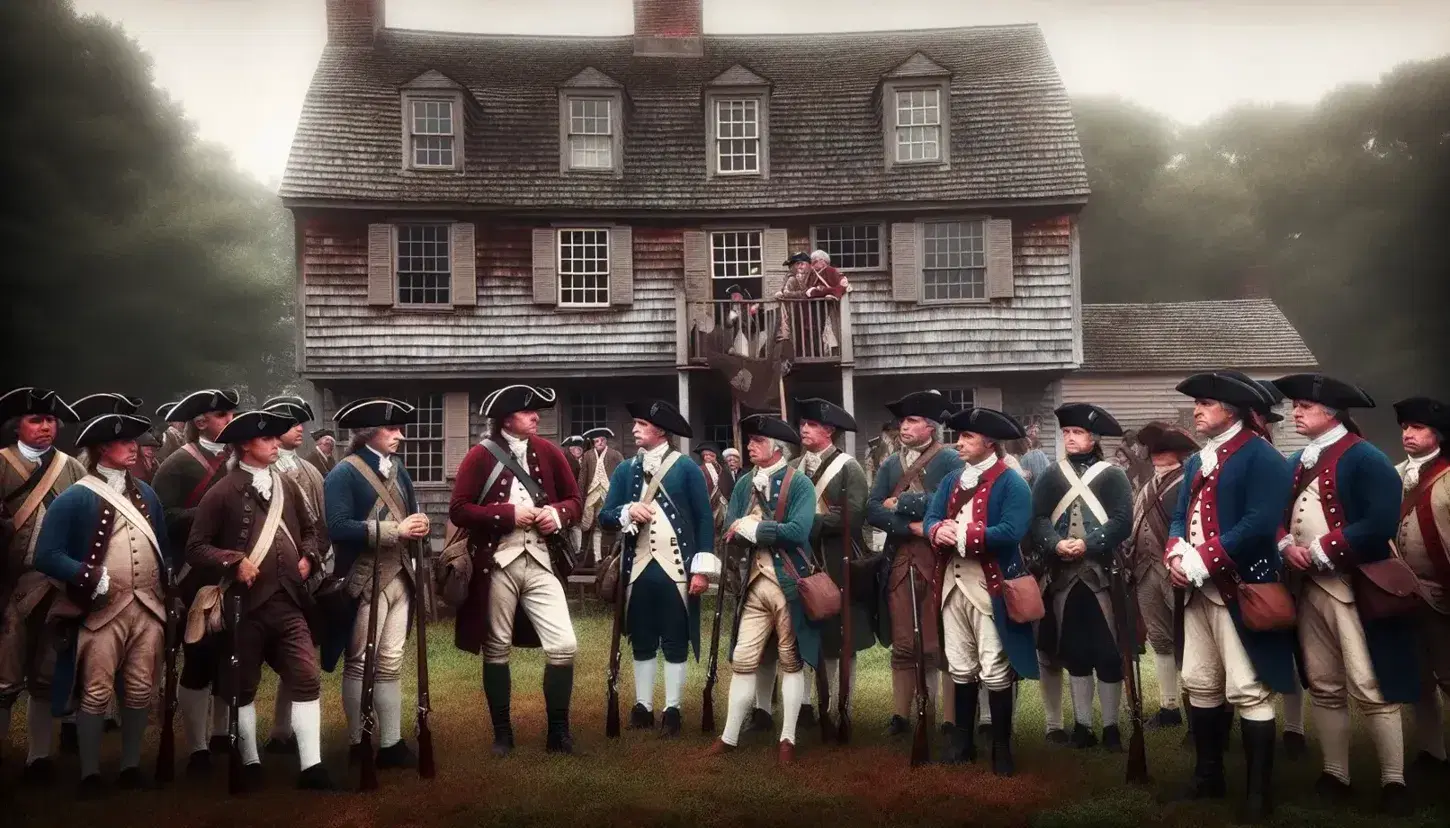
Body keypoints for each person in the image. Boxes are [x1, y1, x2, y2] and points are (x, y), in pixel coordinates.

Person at [1273, 373, 1417, 815]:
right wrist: (1283, 545)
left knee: (1371, 684)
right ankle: (1336, 773)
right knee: (1323, 683)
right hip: (1309, 588)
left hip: (1353, 585)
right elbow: (1278, 513)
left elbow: (1380, 522)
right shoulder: (1297, 460)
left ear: (1330, 412)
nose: (1295, 412)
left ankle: (1394, 781)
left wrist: (1320, 548)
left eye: (1304, 406)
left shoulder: (1366, 458)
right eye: (1295, 406)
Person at [1166, 371, 1297, 822]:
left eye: (1204, 403)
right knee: (1200, 681)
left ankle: (1259, 793)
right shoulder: (1196, 462)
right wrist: (1176, 553)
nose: (1197, 410)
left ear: (1231, 409)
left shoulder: (1261, 456)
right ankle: (1209, 778)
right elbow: (1179, 516)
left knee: (1248, 688)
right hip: (1199, 589)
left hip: (1243, 587)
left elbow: (1260, 524)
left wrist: (1205, 558)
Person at [185, 409, 331, 791]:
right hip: (243, 607)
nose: (274, 444)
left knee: (307, 677)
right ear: (245, 444)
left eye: (274, 438)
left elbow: (314, 530)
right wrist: (232, 561)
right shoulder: (222, 491)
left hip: (288, 602)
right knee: (243, 686)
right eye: (266, 439)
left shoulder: (287, 484)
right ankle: (249, 761)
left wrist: (308, 558)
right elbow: (196, 547)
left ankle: (311, 766)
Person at [33, 413, 169, 795]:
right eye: (125, 442)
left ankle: (129, 767)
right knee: (95, 691)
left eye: (134, 442)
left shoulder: (148, 494)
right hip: (100, 611)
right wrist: (89, 576)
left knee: (141, 688)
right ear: (101, 449)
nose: (134, 448)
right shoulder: (76, 496)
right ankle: (89, 773)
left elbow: (163, 550)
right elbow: (46, 554)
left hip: (147, 607)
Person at [449, 385, 582, 756]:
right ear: (507, 419)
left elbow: (575, 500)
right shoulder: (479, 456)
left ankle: (558, 732)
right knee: (496, 647)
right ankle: (502, 734)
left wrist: (557, 514)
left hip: (541, 560)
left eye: (536, 412)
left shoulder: (550, 452)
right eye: (528, 413)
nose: (536, 417)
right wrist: (506, 514)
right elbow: (459, 509)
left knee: (564, 644)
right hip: (496, 563)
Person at [924, 406, 1037, 774]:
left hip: (991, 586)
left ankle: (1001, 748)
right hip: (951, 585)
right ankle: (962, 742)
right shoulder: (952, 479)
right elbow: (931, 515)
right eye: (960, 437)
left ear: (989, 443)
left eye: (968, 438)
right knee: (959, 665)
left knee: (994, 666)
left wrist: (963, 535)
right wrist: (935, 530)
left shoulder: (1012, 482)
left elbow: (1012, 531)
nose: (959, 443)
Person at [704, 415, 819, 764]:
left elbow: (798, 531)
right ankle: (729, 736)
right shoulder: (743, 484)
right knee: (742, 661)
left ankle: (788, 739)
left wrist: (756, 529)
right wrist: (743, 530)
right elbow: (729, 529)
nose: (749, 446)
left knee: (792, 661)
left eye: (756, 440)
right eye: (749, 440)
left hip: (790, 581)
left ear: (775, 446)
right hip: (753, 583)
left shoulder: (799, 484)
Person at [323, 397, 430, 769]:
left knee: (390, 662)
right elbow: (336, 527)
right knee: (358, 662)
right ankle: (357, 742)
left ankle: (390, 742)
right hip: (363, 578)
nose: (399, 435)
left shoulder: (398, 469)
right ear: (368, 433)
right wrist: (392, 530)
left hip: (401, 576)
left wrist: (419, 524)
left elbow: (410, 513)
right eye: (391, 429)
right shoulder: (343, 473)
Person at [599, 400, 716, 736]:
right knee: (641, 637)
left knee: (675, 638)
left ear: (661, 430)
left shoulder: (687, 468)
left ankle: (673, 709)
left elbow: (704, 520)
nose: (634, 429)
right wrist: (627, 511)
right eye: (635, 423)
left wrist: (701, 569)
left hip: (677, 568)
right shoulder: (624, 470)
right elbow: (606, 517)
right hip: (636, 570)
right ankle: (643, 706)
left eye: (641, 424)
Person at [1031, 403, 1134, 750]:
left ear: (1093, 438)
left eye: (1076, 433)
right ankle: (1082, 726)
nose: (1069, 439)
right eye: (1065, 433)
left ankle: (1111, 727)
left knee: (1107, 651)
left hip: (1102, 574)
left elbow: (1122, 522)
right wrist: (1056, 544)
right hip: (1063, 577)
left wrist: (1087, 543)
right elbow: (1039, 518)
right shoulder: (1051, 474)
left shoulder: (1113, 475)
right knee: (1073, 650)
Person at [149, 388, 239, 773]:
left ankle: (222, 734)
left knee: (229, 657)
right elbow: (162, 518)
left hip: (233, 570)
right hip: (193, 574)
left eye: (232, 415)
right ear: (201, 421)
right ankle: (198, 745)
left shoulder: (238, 459)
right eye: (222, 415)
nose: (230, 421)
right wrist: (208, 514)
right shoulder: (176, 464)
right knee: (198, 657)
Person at [867, 391, 964, 737]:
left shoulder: (950, 460)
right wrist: (911, 524)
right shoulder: (891, 463)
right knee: (904, 643)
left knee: (941, 644)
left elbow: (949, 501)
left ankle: (950, 718)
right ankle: (901, 715)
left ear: (930, 427)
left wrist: (903, 501)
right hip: (900, 562)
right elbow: (873, 508)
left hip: (940, 562)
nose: (903, 427)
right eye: (902, 422)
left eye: (911, 422)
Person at [0, 387, 84, 783]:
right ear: (17, 425)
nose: (45, 427)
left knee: (46, 677)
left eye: (50, 420)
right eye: (36, 420)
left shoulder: (71, 468)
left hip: (58, 588)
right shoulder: (0, 465)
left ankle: (38, 758)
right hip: (10, 587)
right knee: (4, 677)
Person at [258, 395, 330, 755]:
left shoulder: (312, 471)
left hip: (303, 578)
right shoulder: (252, 470)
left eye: (301, 422)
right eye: (291, 424)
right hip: (259, 580)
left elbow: (320, 524)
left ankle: (282, 729)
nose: (300, 428)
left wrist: (312, 560)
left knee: (299, 659)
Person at [1126, 422, 1199, 730]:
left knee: (1191, 638)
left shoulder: (1188, 483)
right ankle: (1169, 706)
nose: (1156, 455)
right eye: (1154, 450)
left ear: (1181, 453)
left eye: (1164, 450)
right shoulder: (1146, 485)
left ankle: (1197, 702)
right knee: (1159, 638)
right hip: (1144, 570)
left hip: (1175, 572)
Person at [1391, 397, 1450, 779]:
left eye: (1417, 428)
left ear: (1438, 434)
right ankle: (1433, 752)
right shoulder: (1393, 474)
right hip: (1403, 593)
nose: (1407, 434)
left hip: (1446, 593)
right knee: (1419, 677)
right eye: (1404, 428)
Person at [578, 427, 623, 568]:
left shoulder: (615, 455)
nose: (600, 442)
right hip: (592, 494)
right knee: (588, 525)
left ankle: (611, 557)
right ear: (593, 442)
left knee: (610, 524)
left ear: (606, 441)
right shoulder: (587, 455)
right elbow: (582, 477)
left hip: (609, 494)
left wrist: (621, 493)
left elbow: (623, 474)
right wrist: (579, 496)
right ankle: (591, 557)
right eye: (597, 440)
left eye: (602, 440)